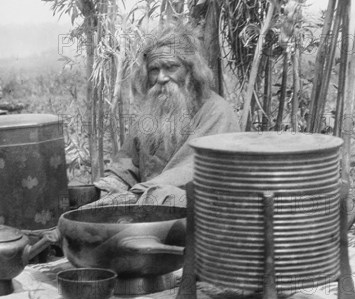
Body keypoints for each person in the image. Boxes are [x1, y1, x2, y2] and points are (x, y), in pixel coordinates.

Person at [85, 21, 240, 208]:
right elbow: (126, 166)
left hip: (198, 213)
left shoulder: (216, 112)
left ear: (191, 70)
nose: (161, 78)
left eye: (171, 67)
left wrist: (136, 195)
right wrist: (111, 187)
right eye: (154, 70)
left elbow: (195, 171)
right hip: (148, 207)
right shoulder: (151, 114)